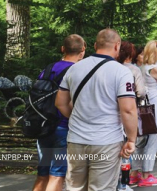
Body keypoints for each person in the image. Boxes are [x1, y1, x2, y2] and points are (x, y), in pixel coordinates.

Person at [55, 29, 137, 191]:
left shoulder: (74, 69)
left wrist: (77, 118)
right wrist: (131, 139)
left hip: (76, 140)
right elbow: (128, 110)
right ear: (117, 46)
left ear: (94, 45)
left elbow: (60, 103)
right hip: (106, 141)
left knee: (75, 187)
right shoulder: (121, 72)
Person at [32, 34, 85, 191]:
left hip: (43, 125)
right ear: (83, 50)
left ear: (63, 49)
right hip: (63, 126)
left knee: (42, 174)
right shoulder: (77, 71)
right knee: (56, 175)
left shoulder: (48, 69)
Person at [131, 41, 157, 187]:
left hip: (144, 105)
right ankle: (146, 174)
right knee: (154, 140)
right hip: (156, 105)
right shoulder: (154, 68)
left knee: (141, 141)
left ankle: (134, 174)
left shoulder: (141, 67)